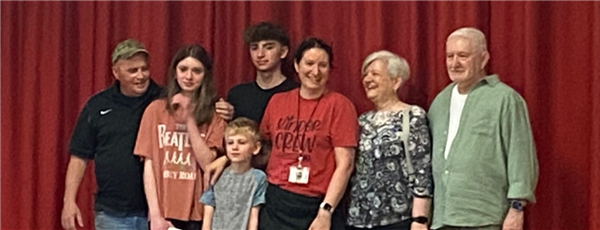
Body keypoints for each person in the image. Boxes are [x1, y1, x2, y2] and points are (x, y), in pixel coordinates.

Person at [428, 27, 539, 230]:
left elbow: (520, 155)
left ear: (483, 58)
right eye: (449, 56)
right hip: (443, 219)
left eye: (463, 56)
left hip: (485, 218)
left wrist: (516, 209)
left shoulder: (505, 99)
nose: (454, 63)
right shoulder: (440, 102)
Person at [258, 37, 358, 230]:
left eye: (323, 65)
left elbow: (345, 164)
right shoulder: (277, 102)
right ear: (296, 65)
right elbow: (262, 150)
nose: (315, 72)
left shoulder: (340, 105)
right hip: (277, 203)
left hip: (317, 205)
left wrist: (325, 211)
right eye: (309, 64)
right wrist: (227, 160)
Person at [61, 39, 160, 230]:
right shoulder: (97, 106)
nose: (141, 76)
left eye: (144, 69)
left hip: (159, 213)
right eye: (132, 71)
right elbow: (79, 157)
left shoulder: (163, 100)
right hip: (113, 214)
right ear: (116, 72)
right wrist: (69, 201)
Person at [134, 44, 226, 230]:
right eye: (183, 69)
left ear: (205, 75)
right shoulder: (155, 110)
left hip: (198, 214)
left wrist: (189, 120)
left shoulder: (215, 115)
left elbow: (208, 163)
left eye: (196, 71)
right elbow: (149, 166)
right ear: (175, 72)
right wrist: (155, 214)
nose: (189, 76)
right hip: (164, 212)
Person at [347, 51, 433, 230]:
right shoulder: (362, 120)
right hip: (358, 218)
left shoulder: (413, 116)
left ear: (396, 82)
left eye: (375, 74)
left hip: (397, 218)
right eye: (366, 74)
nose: (368, 79)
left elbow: (422, 171)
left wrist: (420, 220)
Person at [214, 21, 298, 123]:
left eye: (269, 47)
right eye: (254, 48)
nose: (260, 54)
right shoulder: (237, 94)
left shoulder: (296, 92)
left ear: (283, 52)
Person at [200, 117, 267, 230]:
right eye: (230, 143)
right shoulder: (217, 174)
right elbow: (208, 212)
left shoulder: (258, 178)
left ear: (255, 148)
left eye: (241, 142)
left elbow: (254, 215)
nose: (235, 147)